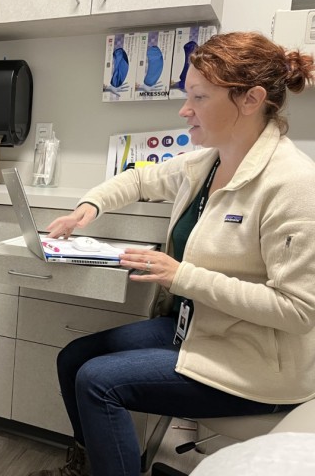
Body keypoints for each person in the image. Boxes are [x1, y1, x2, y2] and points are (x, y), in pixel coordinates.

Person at [29, 31, 315, 476]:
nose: (185, 110)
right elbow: (140, 180)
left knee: (97, 381)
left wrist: (181, 276)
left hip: (255, 364)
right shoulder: (209, 161)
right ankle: (91, 465)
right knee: (73, 359)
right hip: (199, 330)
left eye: (199, 97)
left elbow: (298, 310)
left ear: (250, 99)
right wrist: (88, 207)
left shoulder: (294, 185)